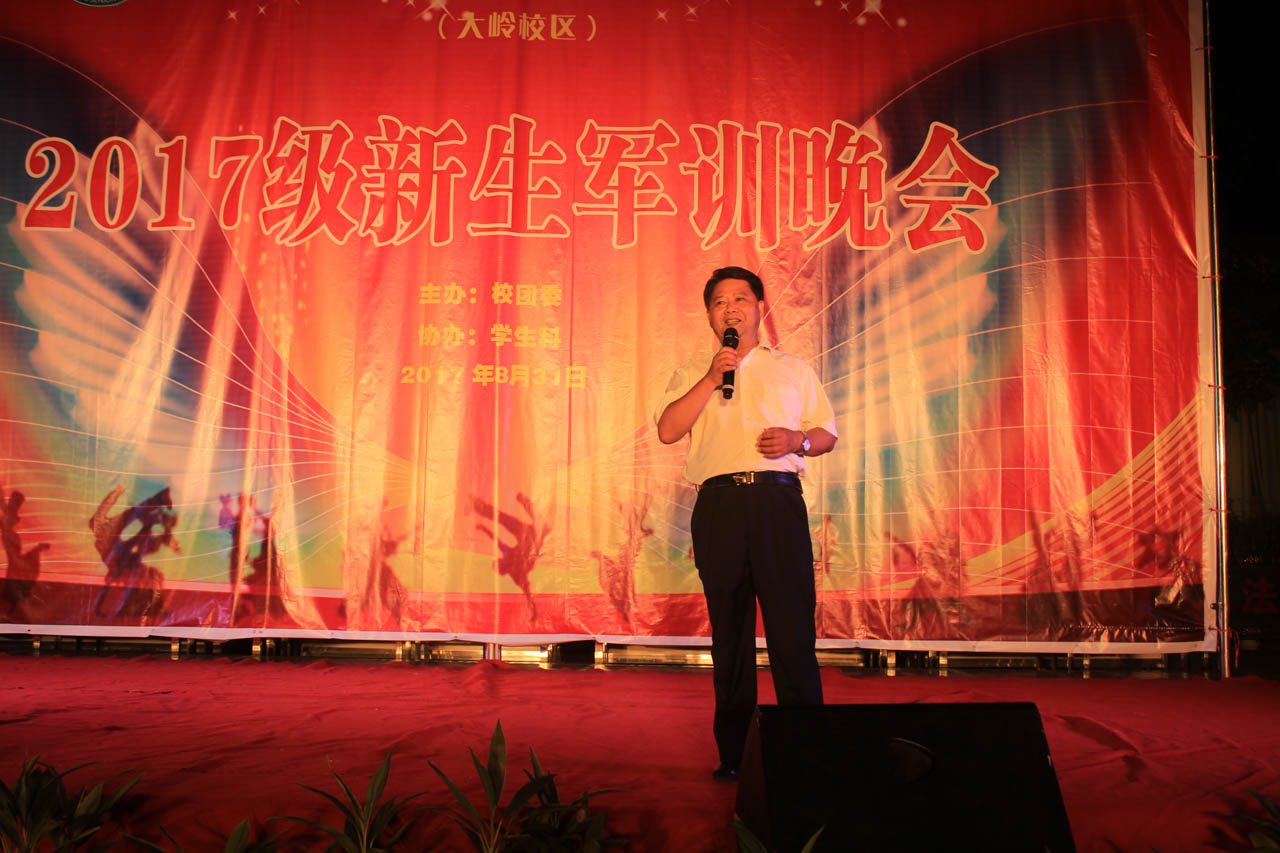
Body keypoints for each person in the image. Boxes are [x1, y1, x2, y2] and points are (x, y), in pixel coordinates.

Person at [655, 265, 837, 781]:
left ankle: (806, 750)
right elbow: (668, 430)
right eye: (719, 302)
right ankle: (734, 753)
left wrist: (798, 441)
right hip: (719, 507)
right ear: (710, 316)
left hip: (778, 503)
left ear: (759, 307)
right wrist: (712, 379)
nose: (730, 308)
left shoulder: (791, 368)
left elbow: (826, 433)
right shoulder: (695, 370)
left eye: (740, 299)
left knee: (791, 630)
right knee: (730, 634)